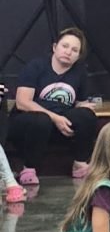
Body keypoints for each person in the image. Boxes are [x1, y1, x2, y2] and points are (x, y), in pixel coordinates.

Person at [7, 28, 99, 184]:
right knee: (41, 120)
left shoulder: (79, 72)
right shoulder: (36, 66)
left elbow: (80, 102)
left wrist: (84, 108)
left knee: (86, 115)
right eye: (65, 46)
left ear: (78, 56)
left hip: (61, 122)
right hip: (30, 121)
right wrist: (55, 118)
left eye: (74, 50)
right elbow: (23, 102)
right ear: (55, 47)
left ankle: (80, 164)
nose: (68, 52)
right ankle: (29, 168)